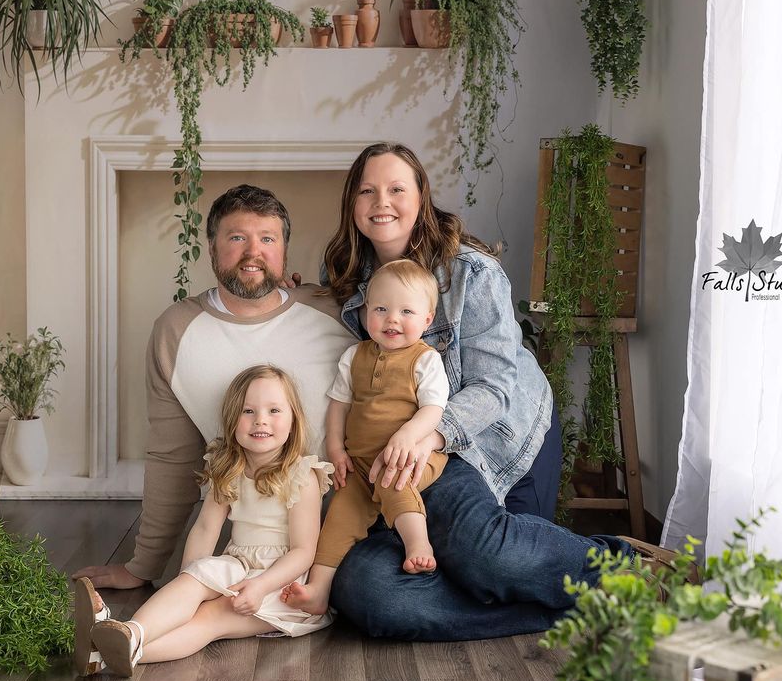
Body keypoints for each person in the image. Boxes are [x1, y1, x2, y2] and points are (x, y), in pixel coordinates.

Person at [315, 141, 634, 640]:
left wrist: (429, 434)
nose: (382, 202)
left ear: (421, 197)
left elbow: (495, 385)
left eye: (397, 188)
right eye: (367, 191)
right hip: (400, 463)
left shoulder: (471, 272)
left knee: (487, 559)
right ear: (351, 205)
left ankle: (628, 568)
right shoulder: (347, 277)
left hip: (493, 434)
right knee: (367, 591)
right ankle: (568, 611)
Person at [72, 185, 353, 591]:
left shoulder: (333, 311)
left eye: (267, 239)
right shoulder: (176, 330)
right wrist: (142, 566)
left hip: (348, 526)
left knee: (375, 601)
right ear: (211, 247)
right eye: (237, 237)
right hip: (257, 543)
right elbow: (173, 457)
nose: (253, 252)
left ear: (285, 251)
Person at [74, 365, 334, 676]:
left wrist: (258, 586)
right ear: (232, 420)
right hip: (237, 563)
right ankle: (131, 633)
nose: (260, 420)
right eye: (248, 411)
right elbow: (205, 528)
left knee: (211, 618)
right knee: (194, 582)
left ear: (293, 422)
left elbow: (303, 552)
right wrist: (188, 583)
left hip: (281, 582)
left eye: (274, 410)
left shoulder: (301, 475)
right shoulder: (229, 468)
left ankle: (107, 654)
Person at [283, 260, 449, 615]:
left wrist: (408, 437)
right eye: (381, 309)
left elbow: (434, 410)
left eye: (406, 311)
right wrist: (334, 448)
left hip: (408, 456)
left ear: (427, 319)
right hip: (358, 462)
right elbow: (339, 406)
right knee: (339, 516)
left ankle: (418, 545)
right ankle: (318, 591)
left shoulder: (426, 360)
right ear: (365, 313)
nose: (392, 319)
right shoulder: (353, 356)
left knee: (395, 481)